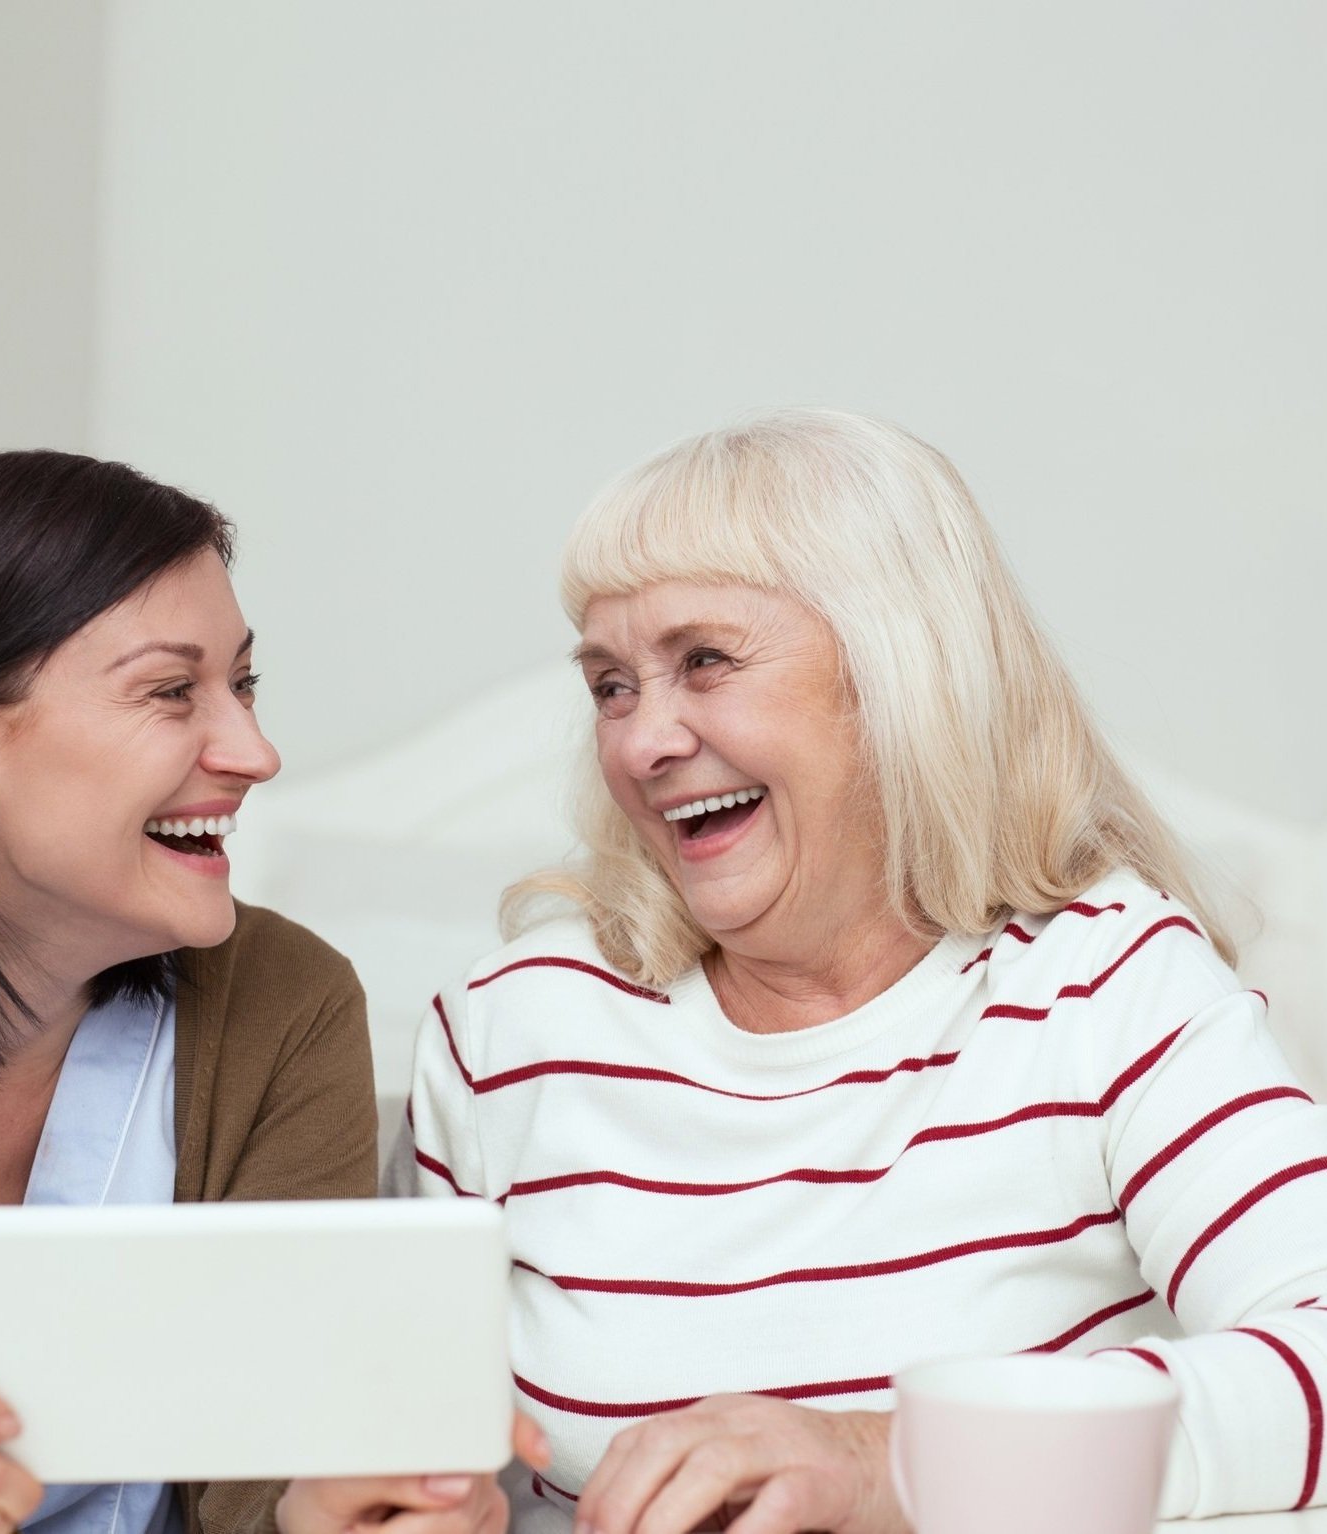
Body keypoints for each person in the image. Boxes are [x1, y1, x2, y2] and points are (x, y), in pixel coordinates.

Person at [393, 410, 1327, 1534]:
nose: (643, 744)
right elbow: (428, 1462)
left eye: (705, 661)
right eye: (610, 685)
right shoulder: (506, 1034)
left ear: (899, 671)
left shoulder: (1106, 984)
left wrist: (895, 1461)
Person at [0, 451, 382, 1534]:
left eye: (242, 684)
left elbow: (272, 1489)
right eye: (170, 691)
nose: (256, 751)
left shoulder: (284, 1009)